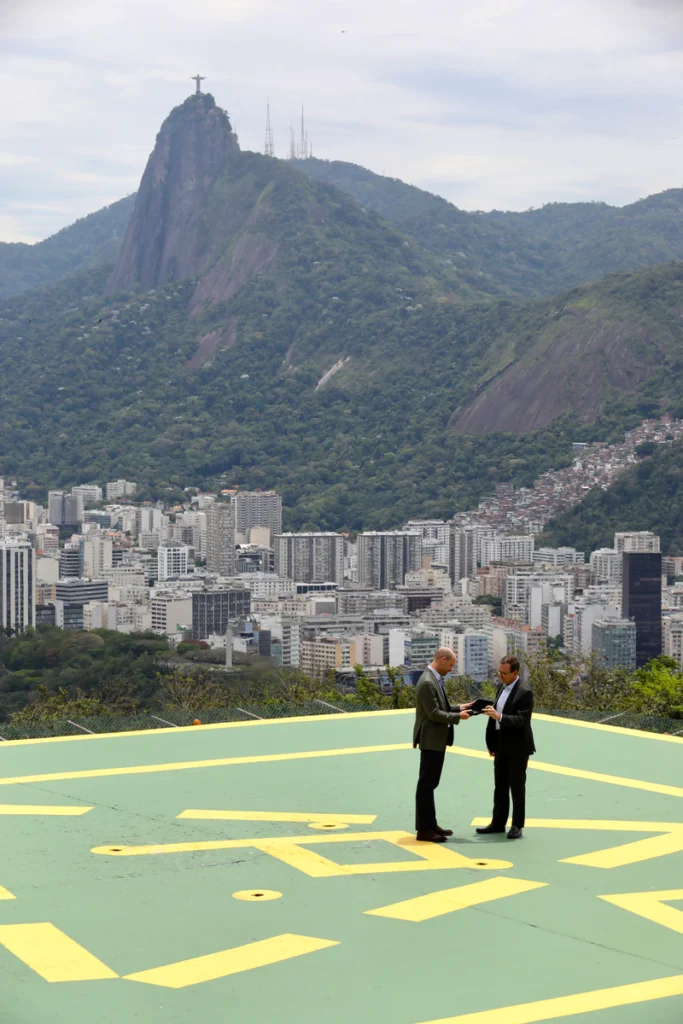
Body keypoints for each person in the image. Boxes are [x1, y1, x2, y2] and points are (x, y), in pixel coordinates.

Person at [413, 647, 473, 843]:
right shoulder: (427, 683)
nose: (451, 668)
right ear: (443, 659)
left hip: (436, 740)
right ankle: (424, 830)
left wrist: (459, 707)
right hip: (431, 740)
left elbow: (440, 706)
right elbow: (434, 714)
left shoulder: (433, 679)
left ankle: (430, 824)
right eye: (451, 664)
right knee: (426, 785)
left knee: (430, 784)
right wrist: (458, 717)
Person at [476, 655, 535, 839]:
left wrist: (498, 716)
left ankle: (517, 825)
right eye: (499, 672)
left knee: (517, 787)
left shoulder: (525, 693)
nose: (500, 676)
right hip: (501, 744)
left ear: (515, 673)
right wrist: (492, 743)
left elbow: (522, 720)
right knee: (499, 785)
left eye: (504, 673)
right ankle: (498, 822)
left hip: (517, 747)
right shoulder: (501, 688)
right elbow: (495, 717)